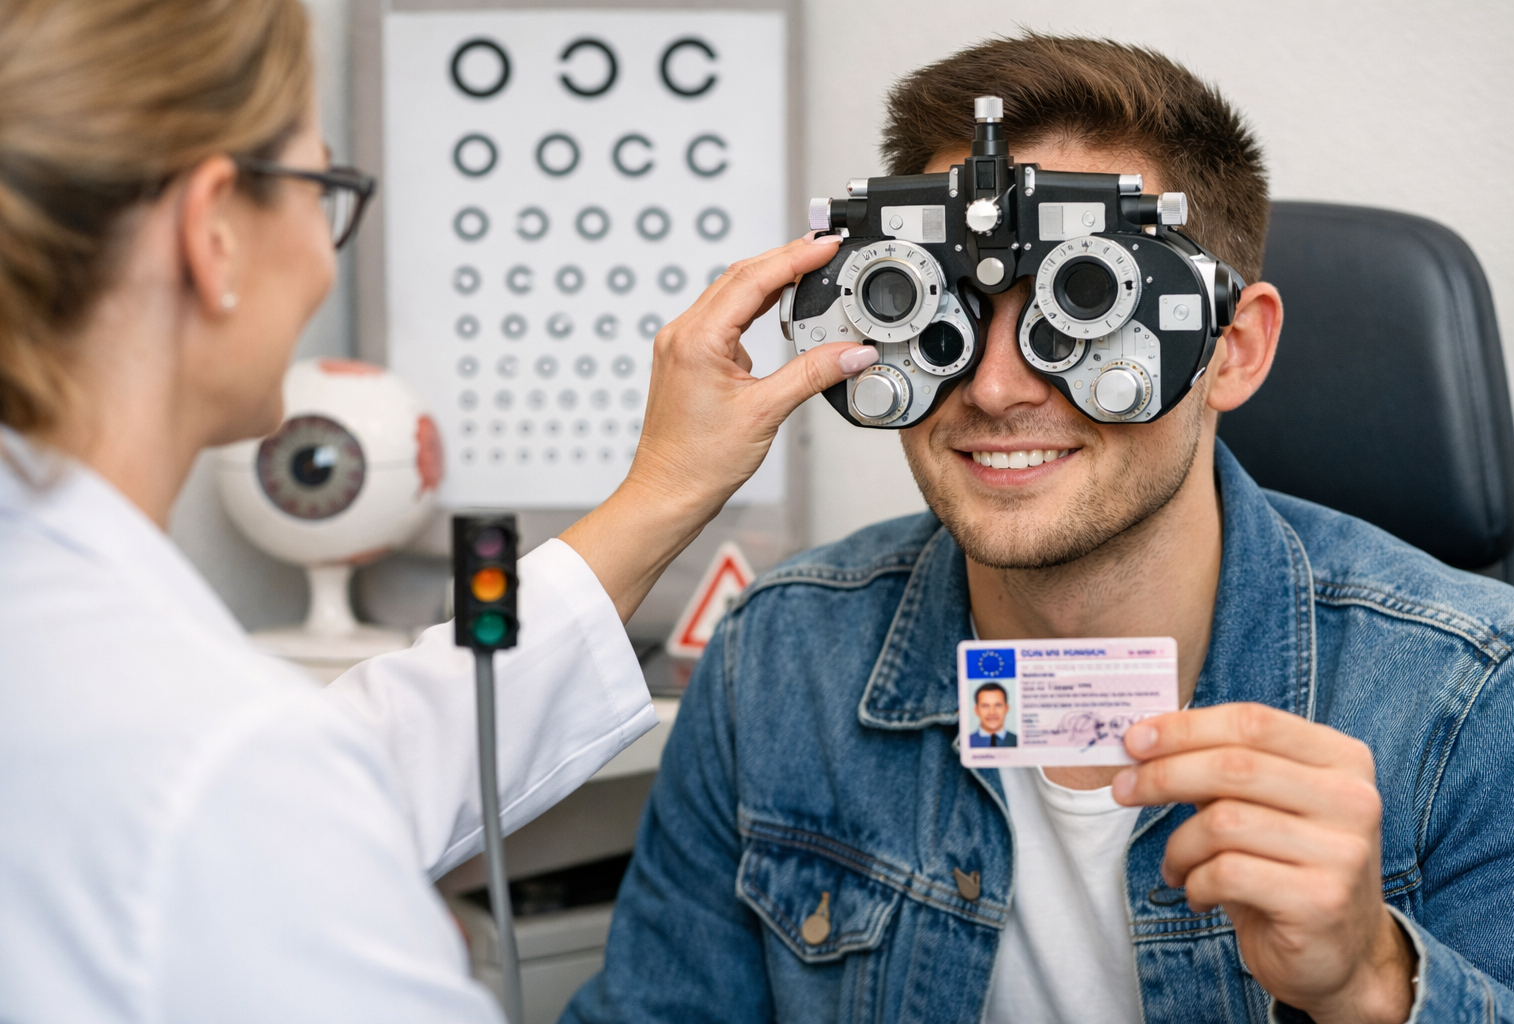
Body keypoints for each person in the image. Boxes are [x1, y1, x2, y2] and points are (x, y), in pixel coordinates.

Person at [566, 33, 1514, 1024]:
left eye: (1082, 304)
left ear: (1232, 351)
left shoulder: (1477, 702)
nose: (994, 388)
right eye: (942, 309)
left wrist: (1373, 982)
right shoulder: (776, 660)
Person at [0, 1, 875, 1020]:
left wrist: (666, 489)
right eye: (321, 190)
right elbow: (257, 797)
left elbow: (338, 772)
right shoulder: (210, 758)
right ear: (213, 235)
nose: (326, 256)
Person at [968, 683, 1016, 747]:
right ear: (976, 710)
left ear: (1006, 708)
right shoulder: (967, 742)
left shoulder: (1017, 741)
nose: (992, 712)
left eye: (998, 705)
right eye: (985, 706)